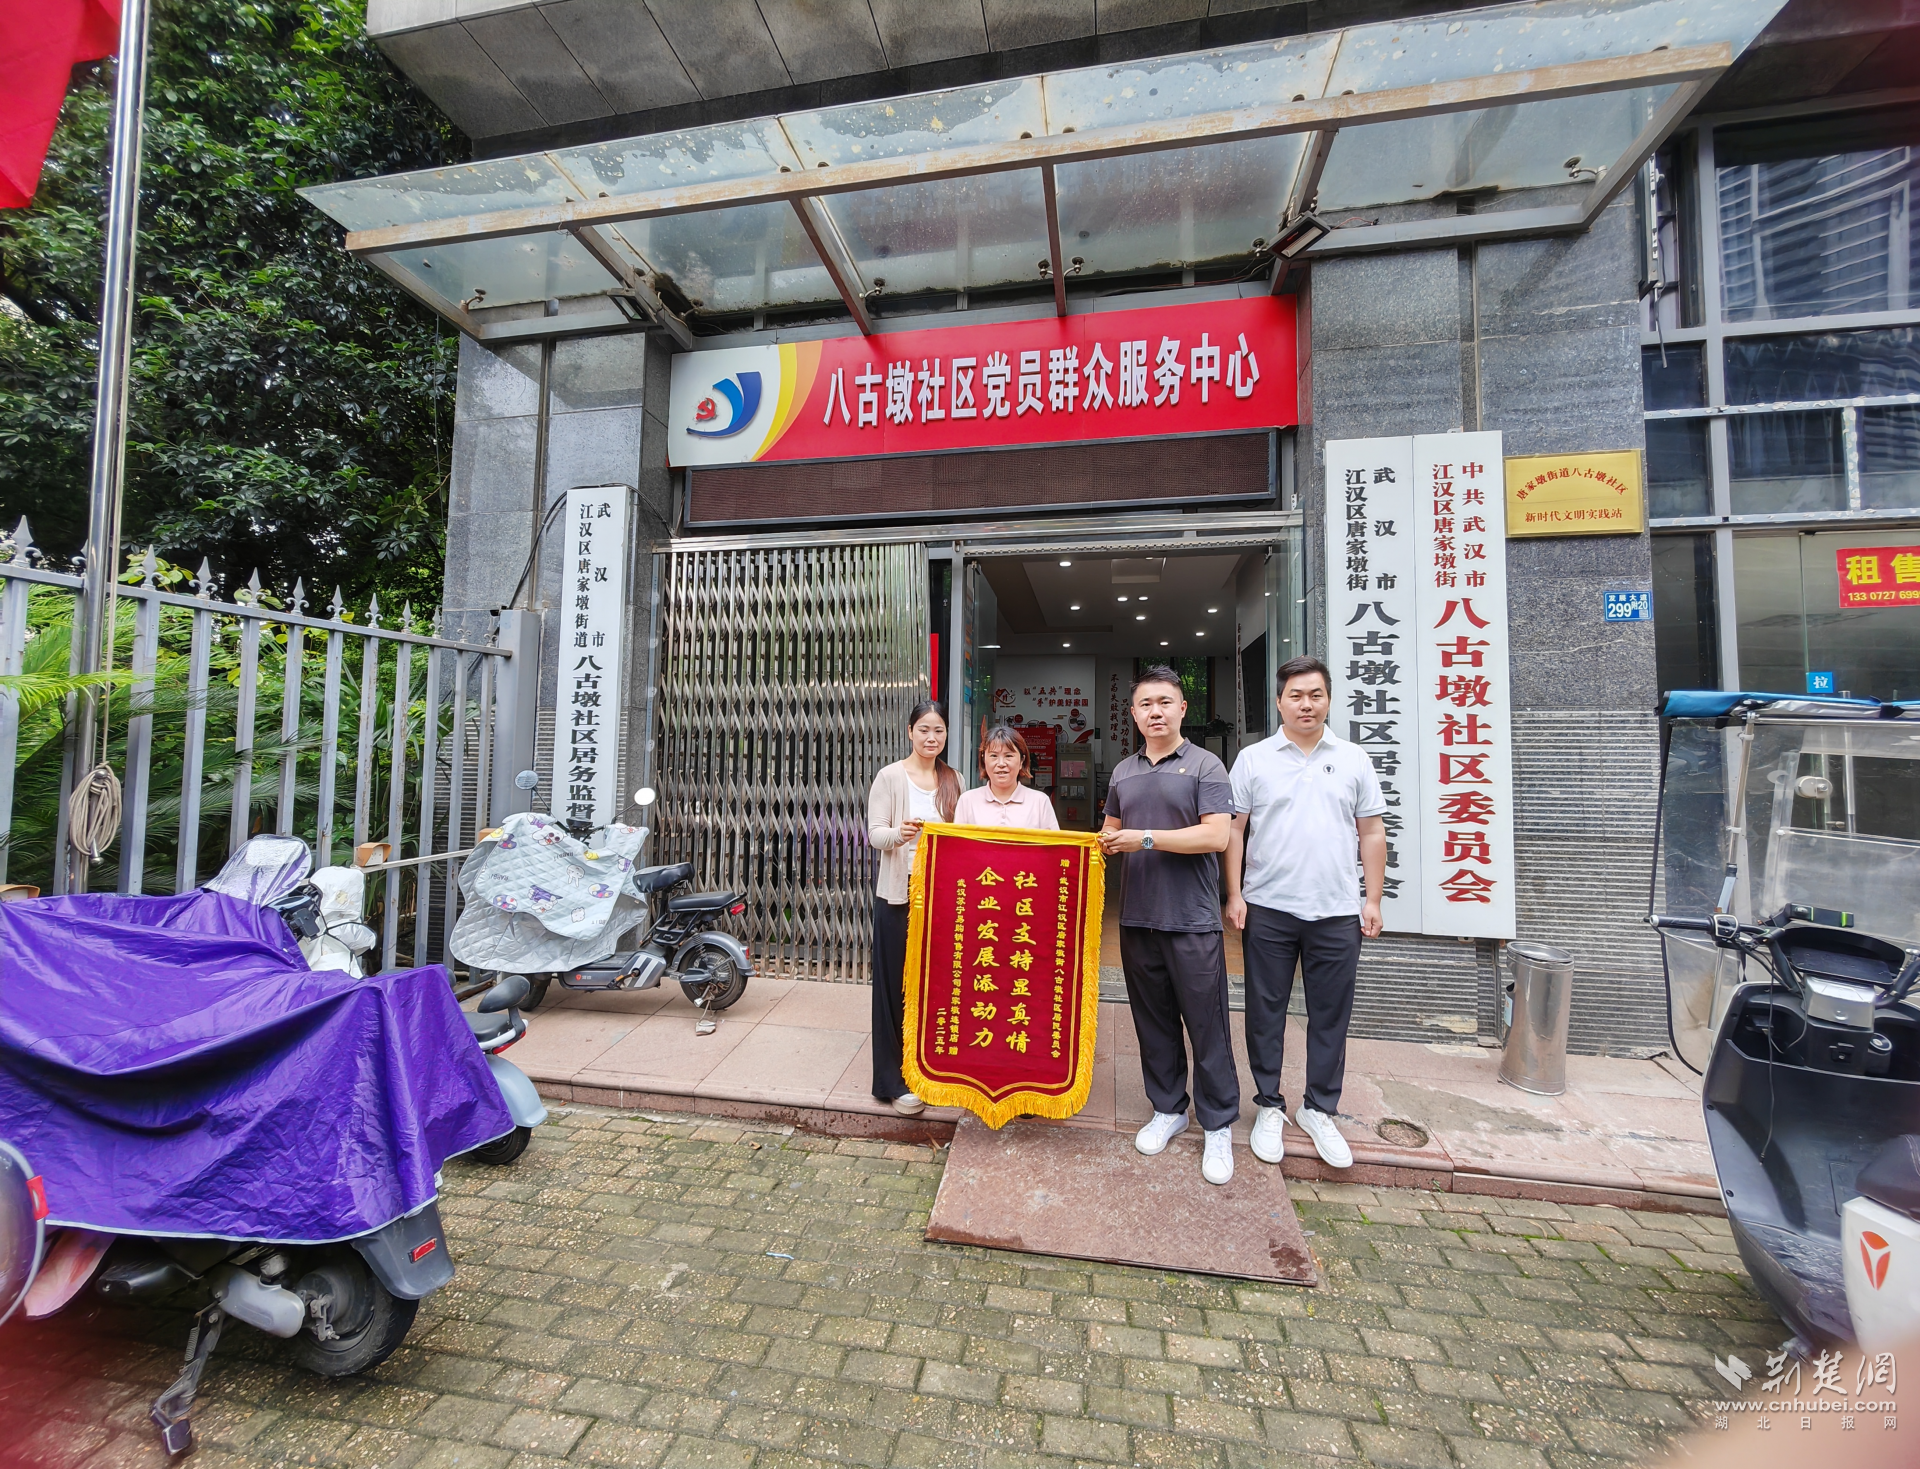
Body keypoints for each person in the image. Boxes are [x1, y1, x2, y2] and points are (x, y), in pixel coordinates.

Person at [1225, 655, 1386, 1172]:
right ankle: (1269, 1104)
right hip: (1268, 908)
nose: (1306, 704)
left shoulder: (1354, 758)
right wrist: (1234, 894)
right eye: (1296, 695)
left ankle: (1319, 1108)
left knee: (1330, 1015)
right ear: (1279, 702)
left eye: (1316, 695)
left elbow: (1372, 832)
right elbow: (1233, 831)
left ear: (1329, 699)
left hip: (1337, 911)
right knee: (1264, 1011)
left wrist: (1373, 899)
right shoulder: (1253, 759)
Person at [1098, 667, 1239, 1186]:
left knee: (1207, 1024)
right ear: (1134, 714)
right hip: (1137, 918)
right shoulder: (1122, 772)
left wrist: (1145, 838)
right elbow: (1110, 832)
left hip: (1192, 920)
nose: (1155, 712)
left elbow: (1216, 836)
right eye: (1145, 704)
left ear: (1182, 708)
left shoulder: (1206, 765)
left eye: (1164, 702)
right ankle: (1168, 1109)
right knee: (1152, 1022)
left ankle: (1218, 1123)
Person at [867, 700, 961, 1116]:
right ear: (909, 732)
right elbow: (874, 834)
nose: (931, 737)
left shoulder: (954, 779)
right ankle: (893, 1080)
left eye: (938, 730)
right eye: (924, 729)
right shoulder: (890, 776)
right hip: (899, 893)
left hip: (942, 895)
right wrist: (899, 834)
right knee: (894, 984)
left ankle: (932, 1071)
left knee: (937, 983)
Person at [953, 725, 1059, 829]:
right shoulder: (967, 801)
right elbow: (957, 840)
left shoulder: (1040, 802)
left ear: (1022, 761)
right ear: (983, 759)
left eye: (1008, 756)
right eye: (994, 756)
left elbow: (1052, 840)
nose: (1001, 763)